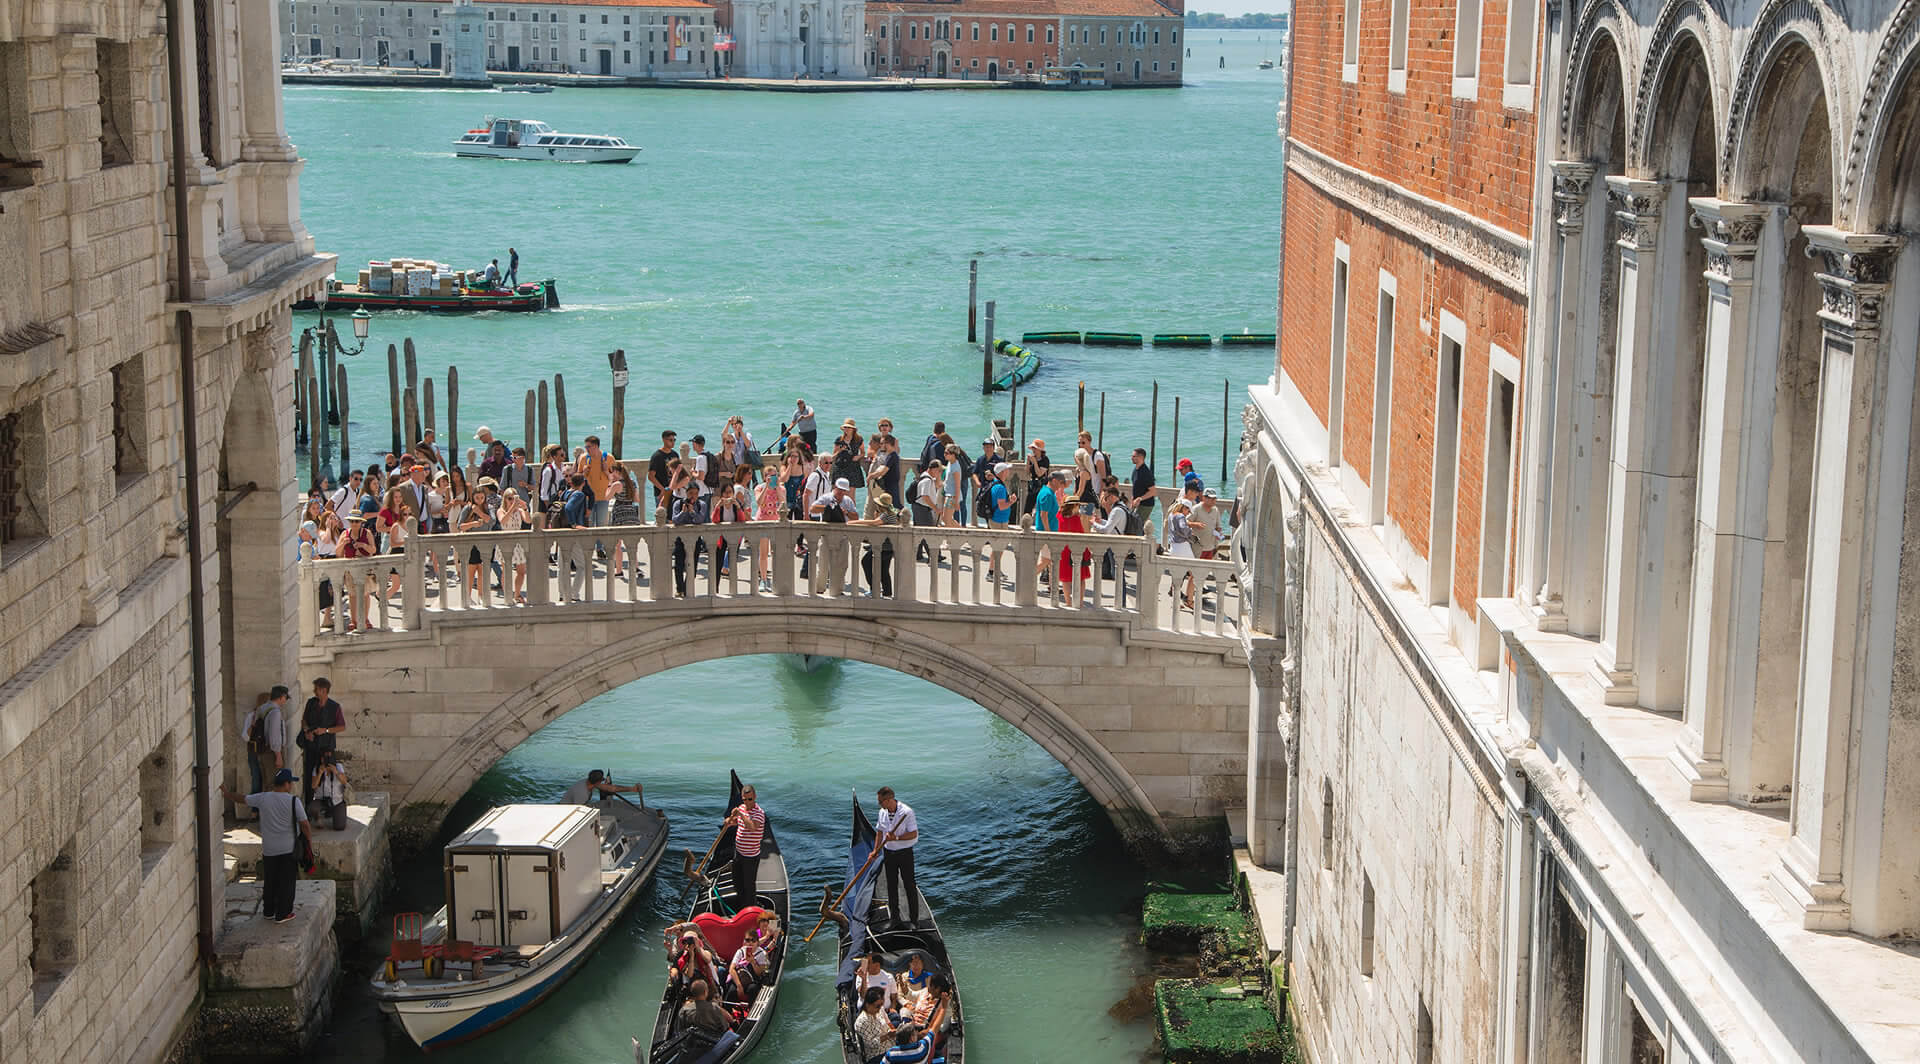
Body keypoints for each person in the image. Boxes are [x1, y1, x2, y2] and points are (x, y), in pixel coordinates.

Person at [219, 769, 310, 923]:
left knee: (270, 881)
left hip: (269, 849)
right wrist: (309, 843)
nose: (291, 786)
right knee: (286, 883)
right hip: (288, 850)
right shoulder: (294, 801)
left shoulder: (263, 798)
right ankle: (283, 913)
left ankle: (268, 911)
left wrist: (226, 794)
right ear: (286, 784)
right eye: (291, 783)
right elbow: (305, 825)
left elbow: (242, 799)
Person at [875, 786, 921, 929]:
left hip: (905, 853)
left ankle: (914, 920)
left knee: (909, 885)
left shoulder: (907, 812)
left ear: (888, 800)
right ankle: (895, 919)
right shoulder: (882, 812)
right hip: (889, 853)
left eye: (880, 801)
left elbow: (913, 834)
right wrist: (875, 851)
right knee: (891, 886)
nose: (879, 804)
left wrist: (896, 837)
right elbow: (880, 832)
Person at [298, 677, 346, 804]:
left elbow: (342, 726)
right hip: (311, 746)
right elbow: (304, 720)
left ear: (324, 690)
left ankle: (329, 805)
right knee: (309, 775)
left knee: (326, 775)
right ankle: (308, 805)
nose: (314, 691)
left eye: (316, 689)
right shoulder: (311, 703)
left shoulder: (335, 707)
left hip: (326, 748)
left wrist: (326, 730)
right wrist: (307, 731)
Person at [241, 686, 290, 805]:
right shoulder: (275, 711)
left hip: (262, 750)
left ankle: (266, 812)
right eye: (285, 698)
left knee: (267, 783)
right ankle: (273, 812)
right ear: (281, 697)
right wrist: (278, 755)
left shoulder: (262, 708)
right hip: (271, 752)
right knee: (275, 783)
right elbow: (274, 736)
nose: (285, 701)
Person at [722, 783, 766, 910]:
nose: (747, 802)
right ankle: (742, 908)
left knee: (749, 887)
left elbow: (752, 827)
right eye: (745, 799)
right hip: (739, 853)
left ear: (755, 797)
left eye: (750, 799)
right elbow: (735, 822)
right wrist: (729, 821)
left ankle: (751, 910)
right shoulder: (741, 808)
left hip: (751, 857)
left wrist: (741, 815)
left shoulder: (759, 813)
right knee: (737, 883)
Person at [853, 986, 898, 1064]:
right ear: (867, 1004)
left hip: (891, 1047)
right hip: (876, 1055)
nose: (880, 1008)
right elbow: (870, 1044)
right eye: (877, 1006)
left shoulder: (880, 1010)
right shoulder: (862, 1021)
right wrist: (887, 1036)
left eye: (881, 1005)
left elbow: (888, 1023)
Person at [310, 749, 350, 830]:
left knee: (339, 827)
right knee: (313, 807)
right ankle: (318, 818)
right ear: (321, 759)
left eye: (329, 757)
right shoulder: (317, 768)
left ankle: (335, 814)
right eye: (325, 757)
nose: (327, 760)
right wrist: (320, 773)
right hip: (321, 800)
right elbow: (313, 786)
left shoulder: (338, 766)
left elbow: (344, 781)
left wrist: (336, 772)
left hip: (337, 801)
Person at [580, 435, 614, 526]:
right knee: (589, 524)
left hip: (603, 497)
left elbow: (614, 478)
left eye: (588, 447)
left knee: (602, 525)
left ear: (596, 446)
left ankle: (600, 541)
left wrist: (606, 471)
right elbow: (577, 480)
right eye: (585, 447)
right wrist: (584, 473)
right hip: (588, 498)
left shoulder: (609, 458)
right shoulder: (583, 458)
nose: (586, 449)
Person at [563, 768, 643, 804]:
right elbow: (578, 811)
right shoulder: (582, 793)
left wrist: (632, 789)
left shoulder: (588, 782)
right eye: (602, 780)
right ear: (598, 782)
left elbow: (612, 788)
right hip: (566, 812)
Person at [649, 430, 679, 510]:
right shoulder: (657, 456)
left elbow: (678, 473)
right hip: (661, 493)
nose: (673, 442)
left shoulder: (675, 455)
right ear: (664, 440)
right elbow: (651, 476)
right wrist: (663, 489)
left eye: (674, 440)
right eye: (670, 440)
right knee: (661, 516)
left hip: (673, 492)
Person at [1129, 448, 1158, 527]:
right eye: (1132, 456)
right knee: (1135, 523)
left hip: (1145, 504)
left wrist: (1140, 498)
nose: (1132, 458)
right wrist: (1133, 499)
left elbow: (1153, 491)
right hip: (1137, 503)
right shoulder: (1135, 469)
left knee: (1136, 525)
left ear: (1141, 457)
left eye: (1134, 456)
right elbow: (1136, 486)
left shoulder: (1145, 473)